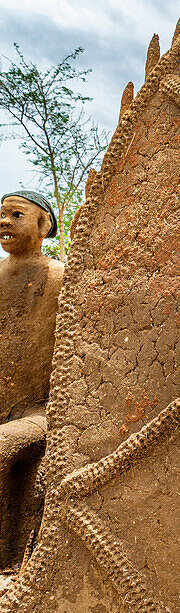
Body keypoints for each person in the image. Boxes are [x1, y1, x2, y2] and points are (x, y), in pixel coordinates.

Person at [0, 191, 64, 571]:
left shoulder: (61, 278)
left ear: (42, 226)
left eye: (16, 214)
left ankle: (9, 564)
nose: (5, 221)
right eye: (1, 214)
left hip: (39, 412)